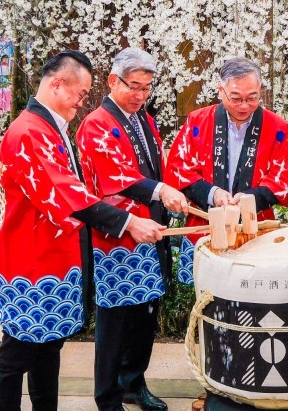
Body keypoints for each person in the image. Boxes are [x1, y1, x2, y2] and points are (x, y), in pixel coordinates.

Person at [0, 50, 165, 411]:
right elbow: (67, 194)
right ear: (57, 84)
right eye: (81, 93)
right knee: (17, 353)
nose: (83, 101)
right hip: (29, 260)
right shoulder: (28, 132)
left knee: (47, 349)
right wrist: (129, 222)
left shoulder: (48, 127)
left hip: (51, 256)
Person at [77, 48, 188, 411]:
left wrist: (167, 195)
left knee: (145, 315)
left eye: (146, 87)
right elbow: (115, 175)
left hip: (149, 228)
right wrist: (160, 190)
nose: (140, 95)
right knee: (115, 321)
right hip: (115, 237)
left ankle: (133, 383)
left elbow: (156, 167)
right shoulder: (96, 122)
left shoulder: (143, 119)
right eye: (133, 86)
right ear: (113, 81)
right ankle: (107, 397)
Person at [164, 57, 288, 283]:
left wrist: (250, 199)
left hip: (257, 227)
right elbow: (178, 169)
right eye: (236, 98)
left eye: (252, 98)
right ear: (220, 91)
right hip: (205, 226)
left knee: (254, 296)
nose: (244, 106)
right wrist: (213, 194)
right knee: (204, 299)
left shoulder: (277, 128)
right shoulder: (197, 122)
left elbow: (284, 179)